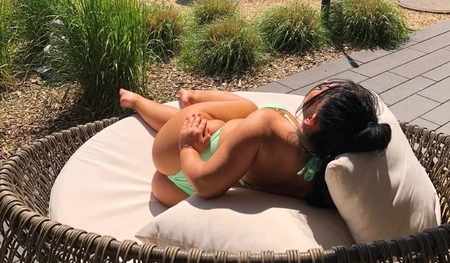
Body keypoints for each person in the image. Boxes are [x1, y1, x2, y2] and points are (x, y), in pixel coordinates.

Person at [119, 80, 391, 208]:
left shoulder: (267, 125)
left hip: (180, 159)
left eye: (324, 89)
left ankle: (150, 101)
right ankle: (158, 101)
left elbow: (204, 183)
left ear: (312, 120)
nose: (321, 84)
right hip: (177, 188)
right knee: (229, 118)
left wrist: (187, 146)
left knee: (230, 113)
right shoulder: (321, 172)